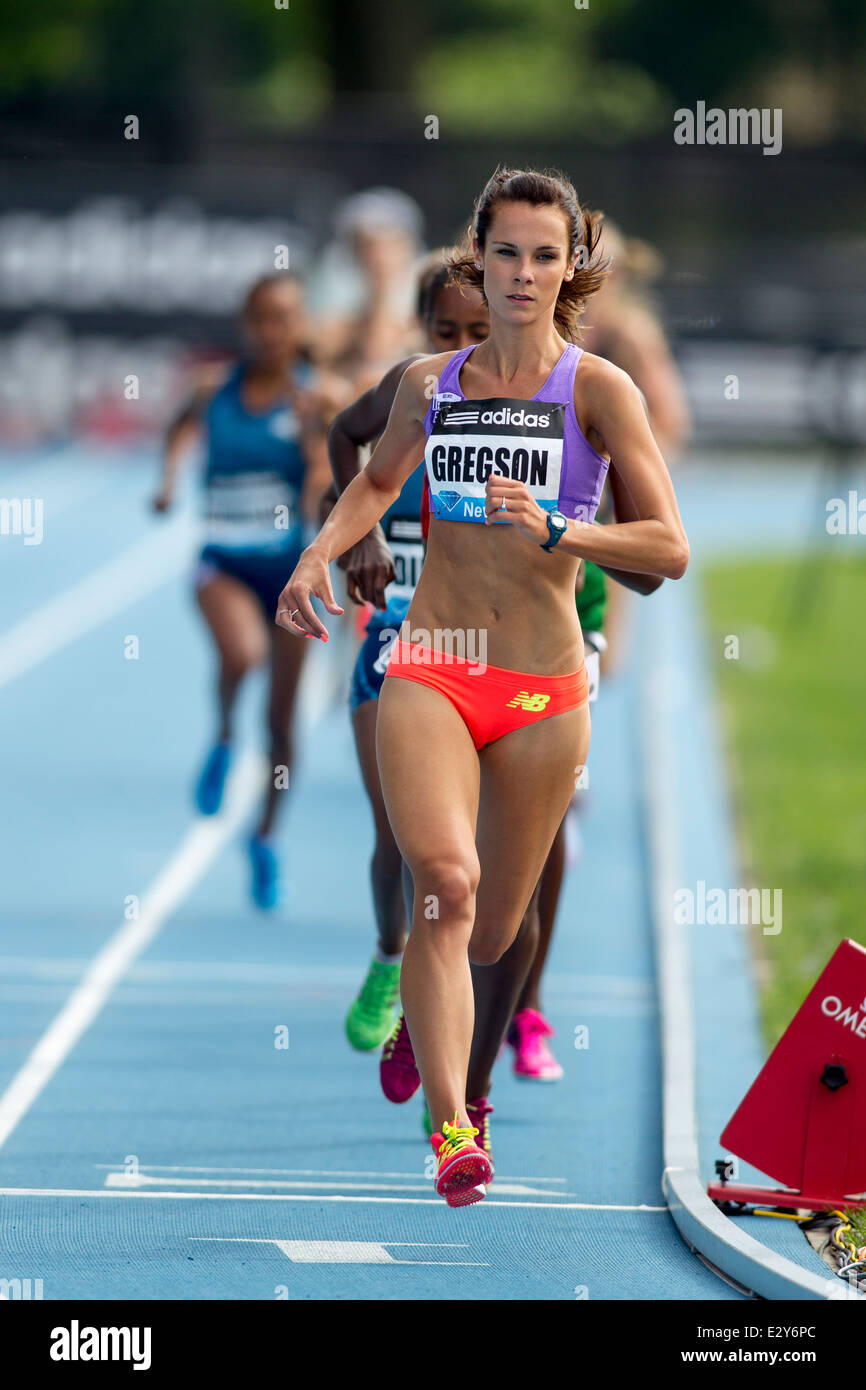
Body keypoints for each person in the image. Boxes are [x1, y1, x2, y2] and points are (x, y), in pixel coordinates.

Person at [277, 167, 689, 1208]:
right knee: (444, 887)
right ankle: (452, 1124)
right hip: (433, 662)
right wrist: (317, 554)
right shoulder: (431, 382)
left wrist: (564, 529)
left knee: (495, 932)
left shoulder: (598, 390)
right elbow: (373, 476)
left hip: (546, 686)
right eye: (505, 251)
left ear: (570, 268)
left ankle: (450, 1042)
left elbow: (667, 547)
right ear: (479, 255)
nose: (522, 273)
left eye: (544, 255)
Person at [329, 255, 491, 1050]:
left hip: (493, 656)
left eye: (478, 330)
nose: (461, 344)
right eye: (445, 330)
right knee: (396, 836)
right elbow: (342, 438)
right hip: (395, 647)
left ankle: (457, 1021)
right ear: (423, 330)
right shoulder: (414, 388)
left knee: (476, 869)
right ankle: (392, 961)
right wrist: (353, 538)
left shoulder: (535, 401)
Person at [153, 272, 345, 909]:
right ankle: (224, 735)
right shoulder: (213, 389)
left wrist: (315, 468)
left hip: (290, 576)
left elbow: (329, 470)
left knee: (284, 725)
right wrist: (169, 478)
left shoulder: (314, 400)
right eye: (260, 320)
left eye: (283, 320)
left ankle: (264, 837)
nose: (270, 333)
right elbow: (179, 427)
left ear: (301, 328)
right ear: (245, 325)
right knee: (242, 656)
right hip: (223, 564)